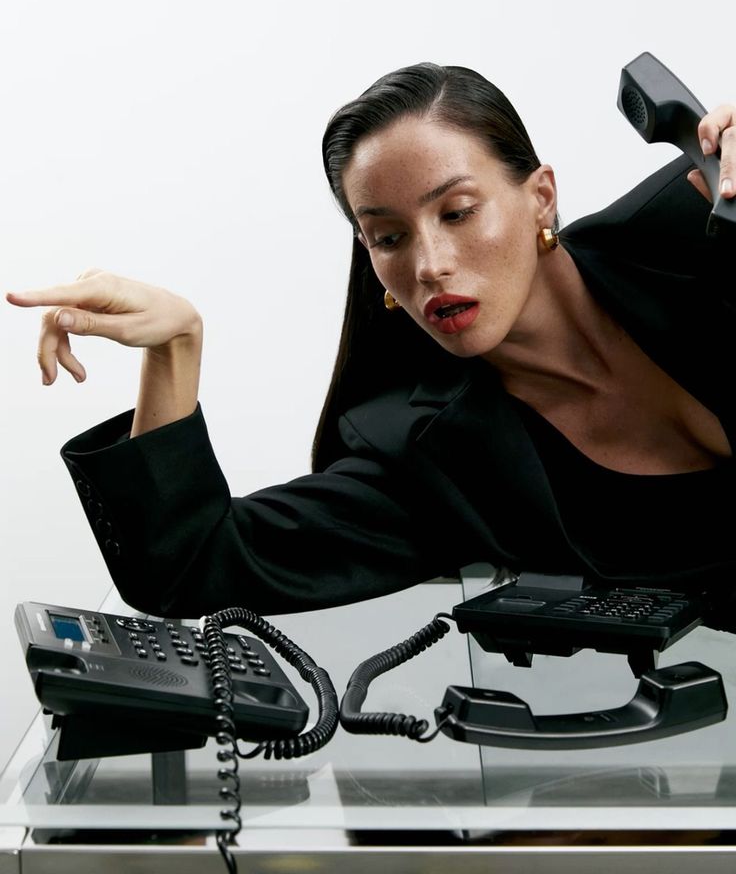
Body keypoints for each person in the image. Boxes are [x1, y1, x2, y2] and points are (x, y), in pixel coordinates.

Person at [6, 64, 736, 623]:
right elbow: (189, 566)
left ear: (540, 195)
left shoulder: (698, 221)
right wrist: (175, 348)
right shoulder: (424, 454)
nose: (429, 264)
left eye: (457, 211)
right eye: (387, 237)